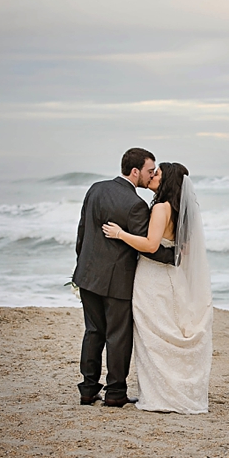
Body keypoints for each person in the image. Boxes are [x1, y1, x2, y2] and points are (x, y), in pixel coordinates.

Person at [102, 162, 213, 414]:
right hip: (172, 278)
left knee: (152, 335)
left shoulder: (161, 208)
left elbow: (151, 245)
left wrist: (120, 234)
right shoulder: (179, 210)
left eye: (158, 174)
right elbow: (180, 250)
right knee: (165, 330)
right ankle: (174, 390)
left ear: (166, 181)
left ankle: (161, 395)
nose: (152, 176)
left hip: (152, 278)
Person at [73, 148, 175, 408]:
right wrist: (175, 256)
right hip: (116, 281)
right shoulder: (135, 205)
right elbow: (146, 246)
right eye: (150, 171)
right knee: (118, 336)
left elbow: (82, 232)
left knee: (93, 332)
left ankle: (87, 390)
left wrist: (81, 267)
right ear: (135, 171)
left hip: (88, 275)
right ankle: (115, 392)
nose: (152, 175)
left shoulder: (95, 189)